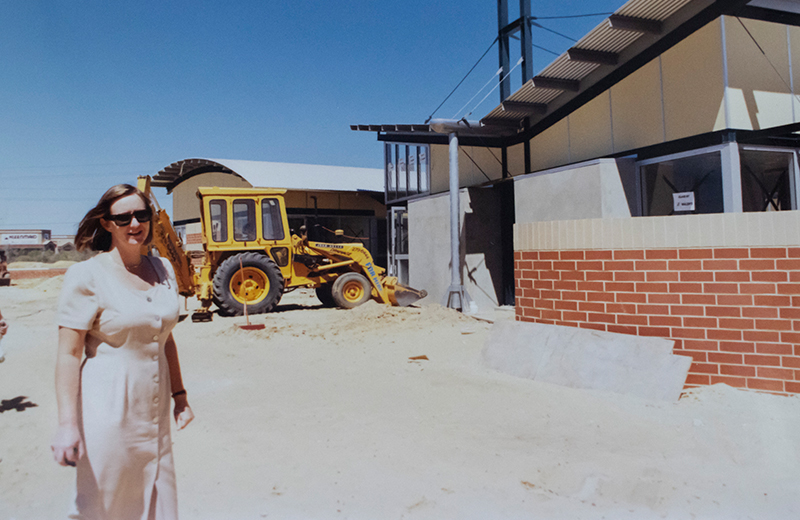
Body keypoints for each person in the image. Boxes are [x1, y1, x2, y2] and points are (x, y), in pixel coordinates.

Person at [51, 184, 194, 520]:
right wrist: (67, 425)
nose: (134, 224)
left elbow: (165, 337)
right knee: (108, 503)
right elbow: (68, 355)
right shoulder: (86, 276)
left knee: (159, 499)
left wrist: (180, 395)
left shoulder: (163, 270)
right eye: (123, 217)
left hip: (154, 410)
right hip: (108, 408)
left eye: (141, 214)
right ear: (106, 224)